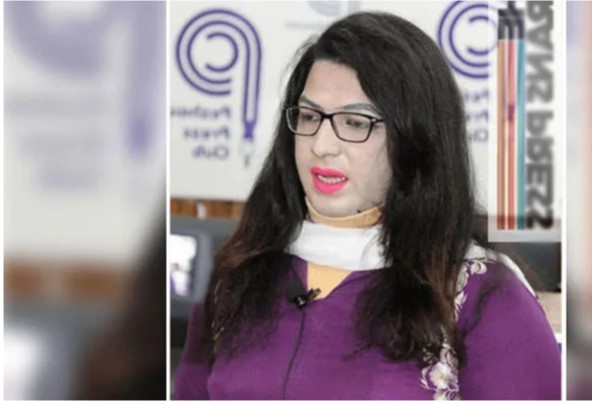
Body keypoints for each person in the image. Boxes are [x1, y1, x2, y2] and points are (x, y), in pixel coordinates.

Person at [173, 11, 560, 400]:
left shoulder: (481, 296)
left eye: (356, 123)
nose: (321, 145)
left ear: (415, 140)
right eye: (309, 116)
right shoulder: (239, 276)